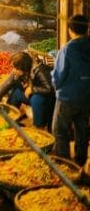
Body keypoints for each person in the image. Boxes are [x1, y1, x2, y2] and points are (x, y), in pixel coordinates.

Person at [52, 14, 90, 166]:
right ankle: (80, 161)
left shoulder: (67, 49)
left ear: (70, 30)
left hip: (68, 97)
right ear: (87, 29)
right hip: (87, 97)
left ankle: (64, 163)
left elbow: (59, 75)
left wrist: (57, 88)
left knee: (60, 130)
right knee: (82, 130)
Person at [0, 51, 55, 129]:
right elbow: (5, 85)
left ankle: (38, 126)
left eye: (16, 68)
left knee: (36, 98)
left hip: (47, 101)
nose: (13, 70)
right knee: (16, 93)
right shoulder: (19, 71)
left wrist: (32, 89)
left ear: (24, 68)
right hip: (32, 96)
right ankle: (10, 119)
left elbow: (50, 89)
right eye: (13, 67)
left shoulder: (40, 70)